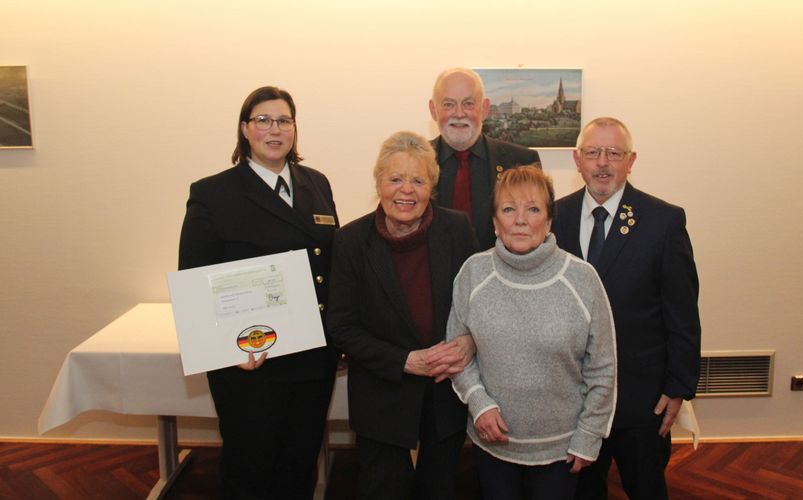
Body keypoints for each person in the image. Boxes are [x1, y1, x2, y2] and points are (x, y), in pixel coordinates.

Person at [178, 86, 339, 499]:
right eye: (263, 120)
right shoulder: (214, 193)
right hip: (249, 362)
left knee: (300, 463)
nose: (275, 129)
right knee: (251, 468)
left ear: (295, 129)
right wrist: (225, 350)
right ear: (245, 130)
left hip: (310, 359)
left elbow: (330, 265)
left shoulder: (316, 184)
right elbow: (195, 280)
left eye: (284, 120)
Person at [552, 117, 701, 499]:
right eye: (593, 153)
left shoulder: (663, 220)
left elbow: (682, 311)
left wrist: (679, 385)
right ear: (577, 159)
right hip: (574, 397)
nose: (603, 162)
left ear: (631, 160)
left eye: (614, 153)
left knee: (646, 488)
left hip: (641, 397)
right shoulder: (553, 218)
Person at [447, 166, 617, 500]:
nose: (520, 220)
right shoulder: (473, 272)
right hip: (493, 443)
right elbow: (457, 353)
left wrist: (589, 435)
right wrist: (479, 404)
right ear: (495, 222)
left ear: (549, 221)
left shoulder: (583, 279)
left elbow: (603, 368)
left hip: (562, 448)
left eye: (533, 208)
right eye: (509, 209)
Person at [327, 131, 479, 499]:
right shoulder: (350, 241)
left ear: (432, 186)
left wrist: (471, 342)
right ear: (379, 182)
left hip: (445, 392)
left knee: (438, 488)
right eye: (395, 179)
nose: (406, 190)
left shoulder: (457, 229)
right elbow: (341, 325)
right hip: (382, 394)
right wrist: (404, 361)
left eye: (417, 180)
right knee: (383, 489)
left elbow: (481, 304)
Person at [429, 67, 542, 249]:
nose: (459, 114)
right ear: (433, 110)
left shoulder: (522, 161)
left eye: (468, 104)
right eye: (448, 104)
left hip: (503, 274)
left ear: (485, 109)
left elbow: (536, 231)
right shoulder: (415, 162)